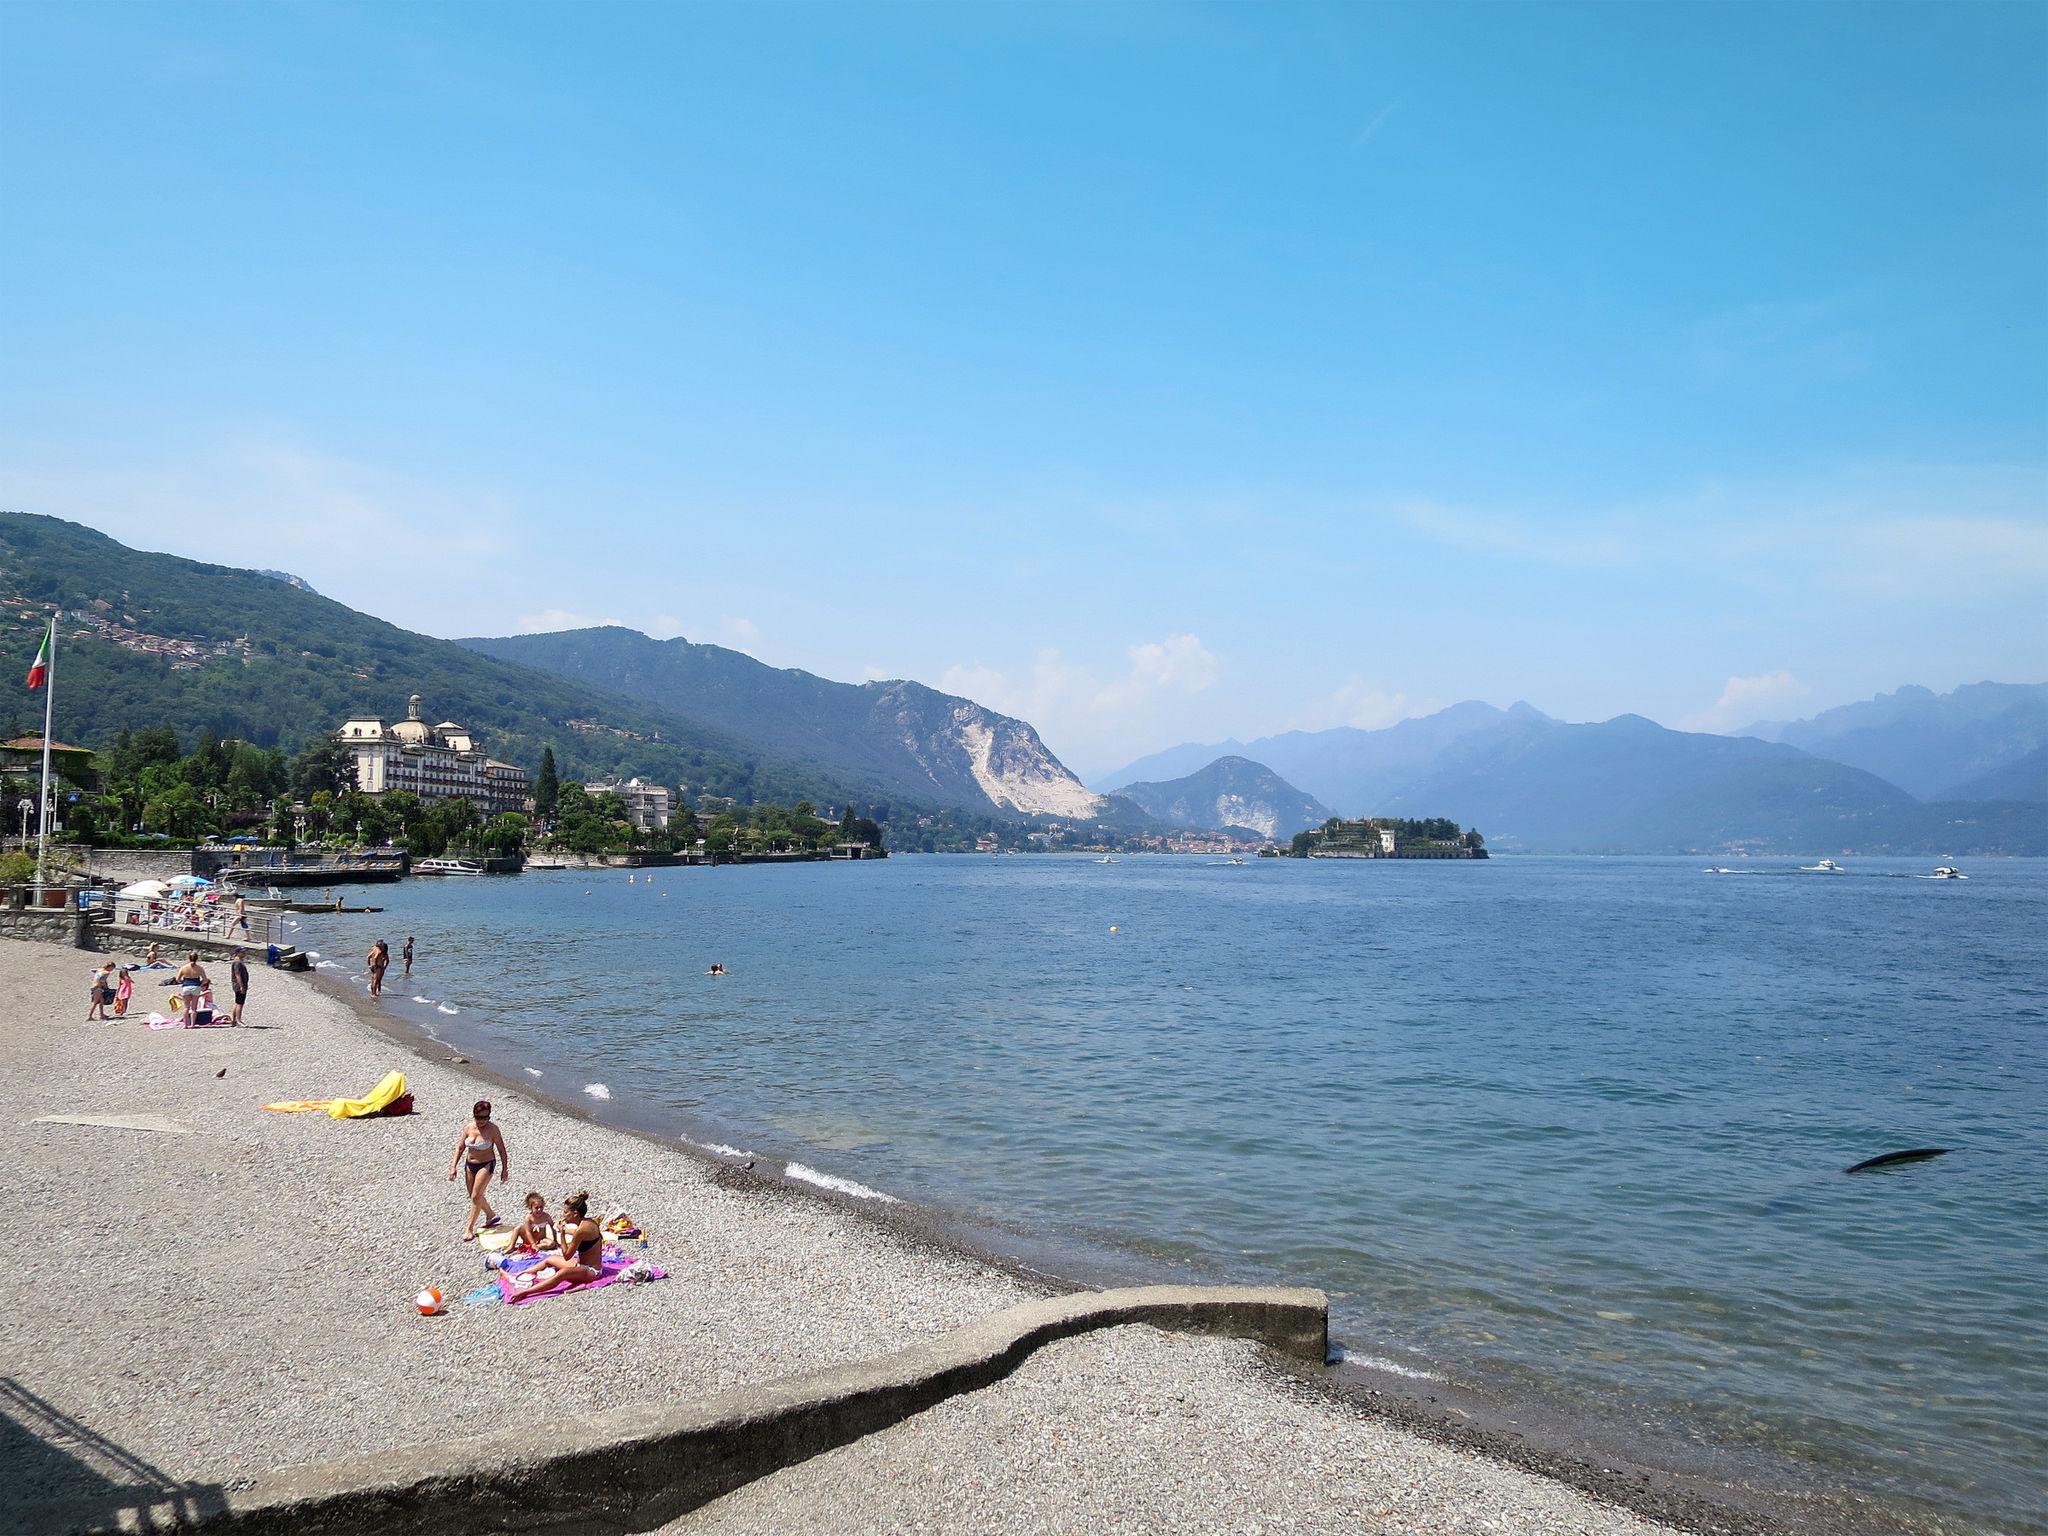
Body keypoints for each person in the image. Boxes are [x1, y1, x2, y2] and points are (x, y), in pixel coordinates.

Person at [510, 1192, 604, 1297]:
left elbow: (567, 1256)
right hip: (581, 1264)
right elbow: (583, 1235)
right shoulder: (589, 1222)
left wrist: (562, 1234)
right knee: (551, 1259)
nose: (563, 1215)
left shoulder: (581, 1231)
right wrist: (565, 1230)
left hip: (592, 1271)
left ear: (575, 1214)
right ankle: (518, 1275)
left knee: (562, 1273)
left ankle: (526, 1292)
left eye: (565, 1212)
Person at [448, 1099, 509, 1241]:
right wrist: (453, 1166)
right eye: (479, 1117)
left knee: (476, 1195)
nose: (482, 1121)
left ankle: (469, 1228)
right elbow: (460, 1147)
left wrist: (504, 1169)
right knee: (474, 1196)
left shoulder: (493, 1129)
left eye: (486, 1117)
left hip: (486, 1164)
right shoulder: (469, 1128)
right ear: (474, 1115)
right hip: (470, 1164)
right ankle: (491, 1215)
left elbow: (501, 1149)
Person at [173, 952, 209, 1019]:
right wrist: (200, 985)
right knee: (194, 1008)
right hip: (196, 986)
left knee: (186, 1007)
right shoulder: (199, 968)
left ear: (189, 958)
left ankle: (186, 1024)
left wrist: (183, 982)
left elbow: (177, 979)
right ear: (197, 959)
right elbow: (205, 980)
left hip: (186, 986)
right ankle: (192, 1024)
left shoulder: (184, 968)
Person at [229, 948, 249, 1026]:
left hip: (239, 985)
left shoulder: (239, 961)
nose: (244, 953)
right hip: (239, 985)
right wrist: (241, 986)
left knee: (237, 1002)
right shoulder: (237, 962)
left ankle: (233, 1020)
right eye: (243, 952)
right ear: (238, 953)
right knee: (240, 1003)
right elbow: (237, 974)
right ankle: (238, 1020)